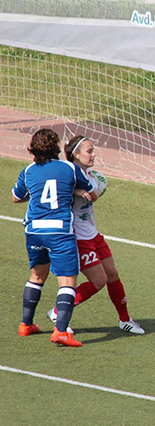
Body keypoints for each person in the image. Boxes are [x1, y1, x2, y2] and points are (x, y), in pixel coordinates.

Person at [46, 136, 145, 335]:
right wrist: (74, 191)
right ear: (76, 154)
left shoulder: (90, 175)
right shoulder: (66, 176)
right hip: (77, 238)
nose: (94, 154)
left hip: (93, 234)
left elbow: (94, 195)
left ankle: (125, 320)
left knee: (112, 274)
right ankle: (57, 311)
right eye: (89, 151)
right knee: (99, 281)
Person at [12, 128, 96, 347]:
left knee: (37, 276)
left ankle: (26, 324)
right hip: (59, 231)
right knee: (67, 282)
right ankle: (60, 332)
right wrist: (75, 192)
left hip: (34, 231)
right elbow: (90, 192)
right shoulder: (68, 168)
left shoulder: (29, 170)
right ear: (56, 147)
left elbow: (16, 197)